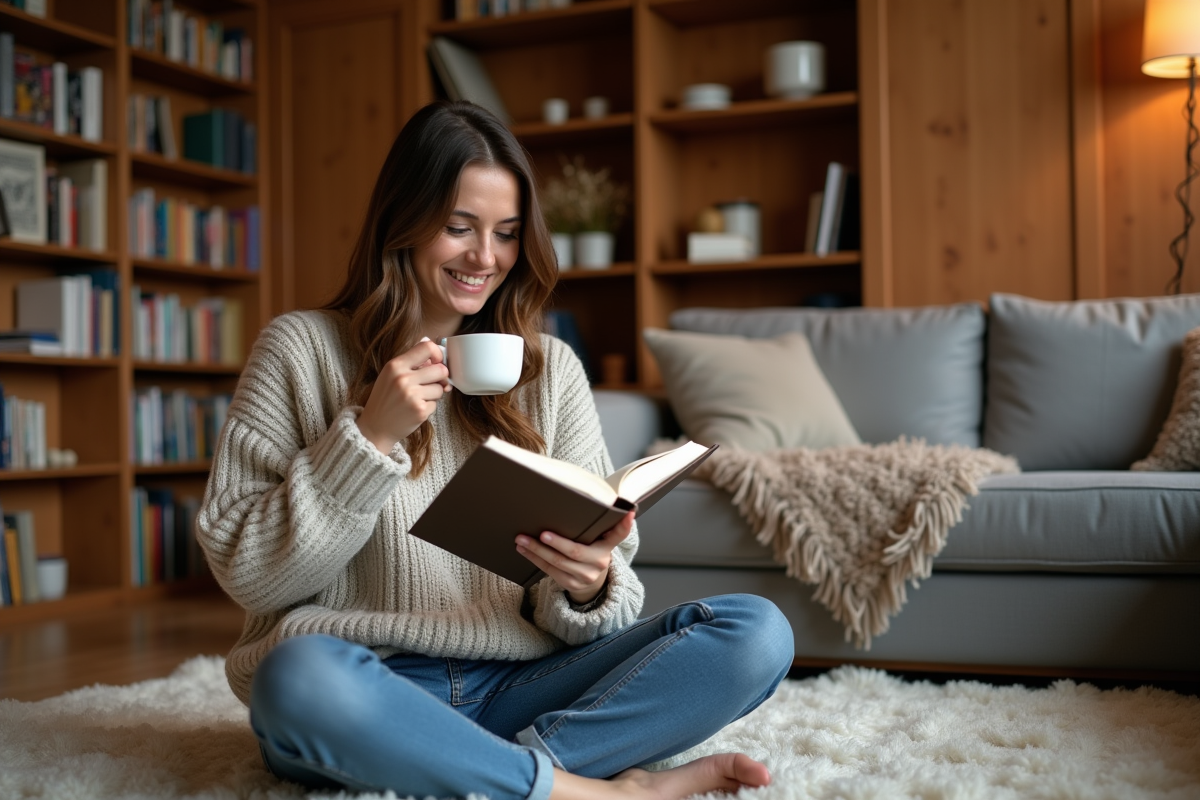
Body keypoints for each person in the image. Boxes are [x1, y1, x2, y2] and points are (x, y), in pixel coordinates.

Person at [196, 99, 794, 800]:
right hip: (372, 681)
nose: (486, 257)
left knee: (756, 633)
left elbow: (606, 593)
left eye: (506, 234)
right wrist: (367, 438)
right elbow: (250, 575)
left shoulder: (552, 370)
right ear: (403, 223)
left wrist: (588, 581)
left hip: (522, 684)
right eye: (459, 228)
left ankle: (482, 773)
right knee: (296, 678)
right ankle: (593, 791)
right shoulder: (300, 351)